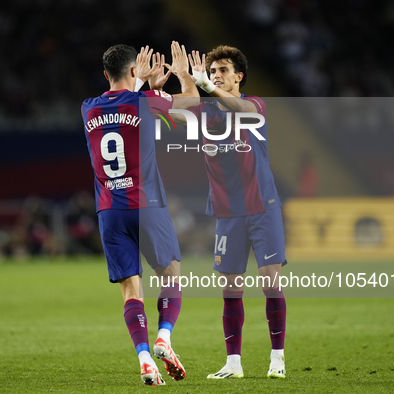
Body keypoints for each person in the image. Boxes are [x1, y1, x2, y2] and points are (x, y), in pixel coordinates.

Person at [80, 42, 199, 386]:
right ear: (135, 71)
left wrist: (144, 84)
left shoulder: (88, 108)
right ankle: (164, 337)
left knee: (132, 291)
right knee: (171, 277)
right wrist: (180, 75)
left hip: (109, 210)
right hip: (146, 205)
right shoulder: (145, 102)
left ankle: (145, 359)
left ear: (106, 74)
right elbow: (189, 104)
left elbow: (121, 108)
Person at [170, 46, 288, 379]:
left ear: (239, 76)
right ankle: (233, 363)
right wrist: (181, 80)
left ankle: (277, 359)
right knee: (231, 290)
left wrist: (207, 86)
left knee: (270, 283)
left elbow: (242, 107)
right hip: (227, 213)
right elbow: (167, 110)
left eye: (224, 69)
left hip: (263, 208)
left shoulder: (254, 106)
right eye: (213, 70)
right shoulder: (206, 114)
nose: (218, 74)